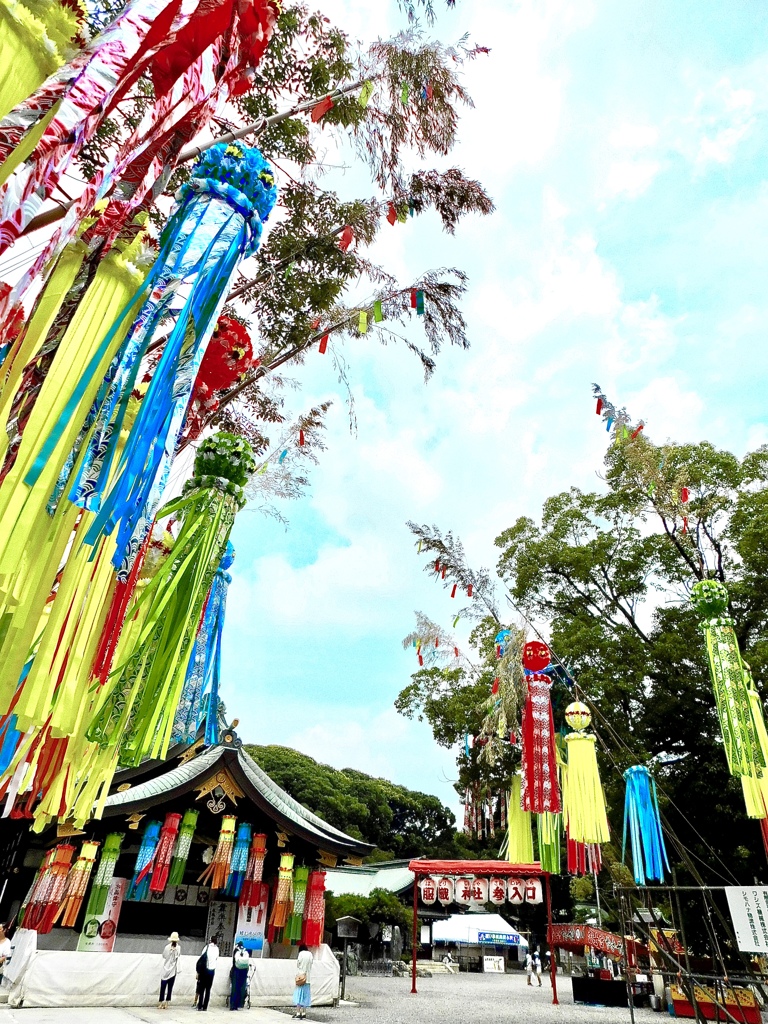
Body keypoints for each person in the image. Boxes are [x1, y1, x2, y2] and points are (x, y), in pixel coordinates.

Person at [196, 935, 219, 1011]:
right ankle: (205, 1006)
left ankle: (200, 1006)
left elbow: (202, 957)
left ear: (210, 940)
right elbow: (216, 958)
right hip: (212, 971)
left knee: (202, 989)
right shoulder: (217, 949)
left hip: (205, 970)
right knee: (208, 990)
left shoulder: (207, 947)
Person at [158, 931, 181, 1009]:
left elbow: (164, 956)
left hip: (165, 969)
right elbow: (178, 957)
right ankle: (167, 1003)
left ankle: (161, 1003)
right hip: (173, 970)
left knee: (163, 987)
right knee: (170, 987)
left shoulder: (167, 947)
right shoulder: (178, 948)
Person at [292, 942, 313, 1020]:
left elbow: (298, 964)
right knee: (305, 996)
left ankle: (298, 1012)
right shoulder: (310, 954)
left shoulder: (300, 954)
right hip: (308, 978)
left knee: (298, 995)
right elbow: (311, 964)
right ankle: (304, 1012)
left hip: (300, 977)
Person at [230, 940, 250, 1010]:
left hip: (236, 971)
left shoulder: (236, 950)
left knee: (235, 988)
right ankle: (239, 1004)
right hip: (244, 971)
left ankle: (233, 1005)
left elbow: (234, 962)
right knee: (241, 988)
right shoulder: (246, 950)